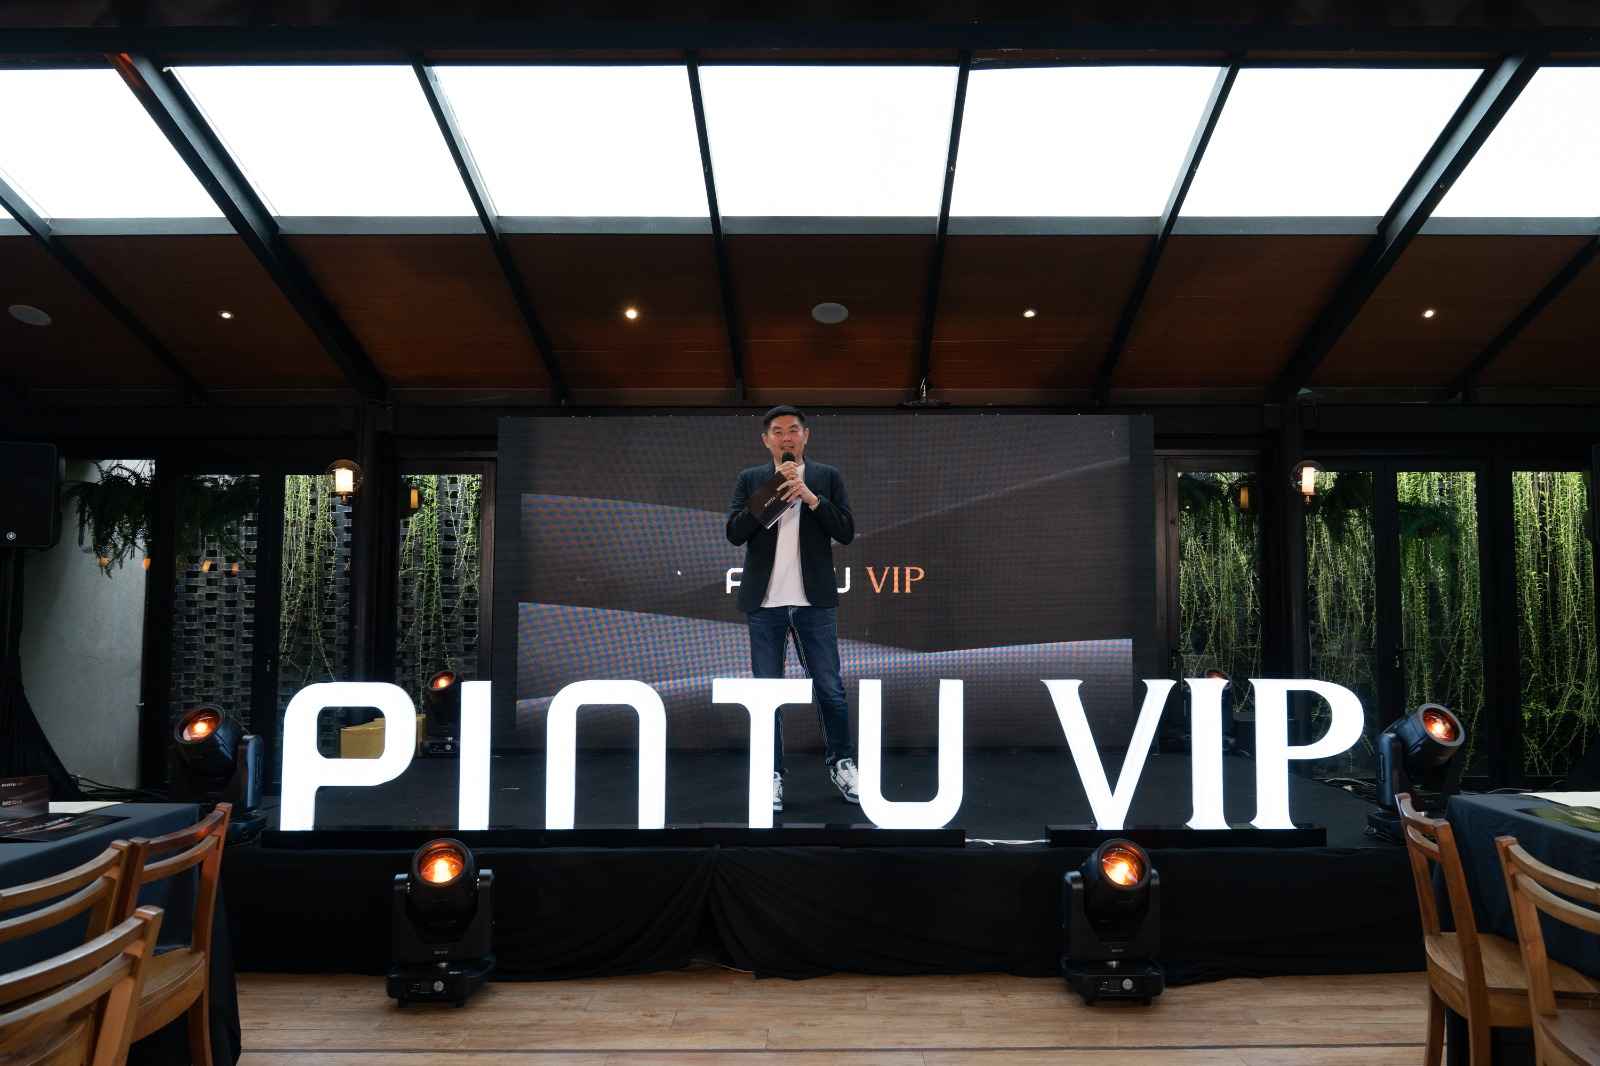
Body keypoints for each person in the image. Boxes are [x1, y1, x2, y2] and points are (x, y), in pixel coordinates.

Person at [726, 405, 858, 813]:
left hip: (813, 602)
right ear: (766, 440)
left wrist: (811, 498)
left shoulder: (826, 477)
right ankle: (771, 773)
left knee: (830, 688)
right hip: (765, 604)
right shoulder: (751, 479)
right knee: (768, 693)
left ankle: (843, 764)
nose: (787, 437)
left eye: (794, 430)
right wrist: (773, 492)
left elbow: (846, 531)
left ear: (806, 436)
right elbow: (734, 532)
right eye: (779, 431)